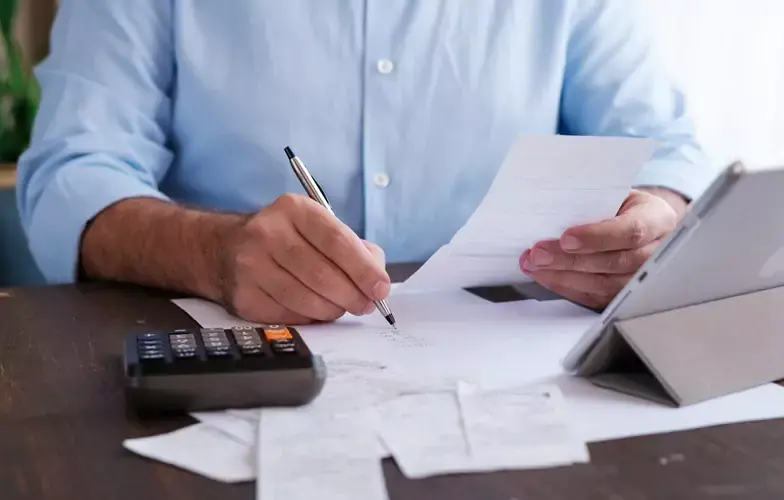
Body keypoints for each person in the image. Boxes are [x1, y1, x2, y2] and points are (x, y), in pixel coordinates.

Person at [17, 1, 716, 324]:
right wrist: (211, 251)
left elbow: (669, 150)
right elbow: (69, 174)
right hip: (239, 364)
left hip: (522, 362)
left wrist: (652, 219)